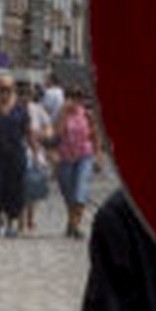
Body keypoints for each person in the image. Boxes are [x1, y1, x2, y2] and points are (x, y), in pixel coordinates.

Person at [0, 79, 38, 236]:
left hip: (16, 155)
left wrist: (36, 153)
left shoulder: (20, 109)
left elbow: (29, 132)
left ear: (13, 90)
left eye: (8, 89)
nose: (5, 92)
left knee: (14, 190)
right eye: (2, 89)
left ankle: (11, 222)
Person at [48, 85, 101, 236]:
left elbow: (95, 135)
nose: (75, 100)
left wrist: (98, 156)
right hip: (65, 158)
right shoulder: (61, 113)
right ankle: (71, 222)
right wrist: (63, 113)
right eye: (71, 96)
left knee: (81, 191)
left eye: (78, 96)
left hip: (84, 156)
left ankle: (75, 225)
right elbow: (57, 134)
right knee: (69, 194)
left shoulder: (87, 114)